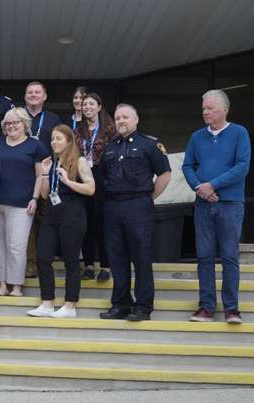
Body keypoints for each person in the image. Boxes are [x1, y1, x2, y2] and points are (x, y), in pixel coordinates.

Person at [183, 90, 251, 324]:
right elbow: (187, 166)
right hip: (203, 205)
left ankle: (232, 309)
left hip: (230, 204)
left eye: (210, 108)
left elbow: (242, 166)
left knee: (230, 256)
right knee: (204, 257)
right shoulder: (196, 137)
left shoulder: (239, 133)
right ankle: (206, 307)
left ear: (224, 109)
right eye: (203, 108)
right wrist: (199, 187)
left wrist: (212, 185)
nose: (205, 112)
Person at [99, 103, 171, 321]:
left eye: (126, 117)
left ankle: (142, 306)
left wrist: (148, 198)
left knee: (141, 257)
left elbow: (165, 174)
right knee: (117, 257)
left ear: (136, 119)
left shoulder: (150, 144)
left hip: (138, 205)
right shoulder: (110, 147)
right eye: (118, 117)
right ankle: (121, 304)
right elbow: (103, 177)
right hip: (113, 206)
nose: (121, 121)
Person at [27, 125, 95, 319]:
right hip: (51, 214)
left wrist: (68, 181)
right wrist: (46, 174)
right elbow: (44, 194)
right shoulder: (52, 161)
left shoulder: (79, 161)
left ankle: (69, 305)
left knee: (71, 260)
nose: (54, 142)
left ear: (69, 141)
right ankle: (47, 303)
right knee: (43, 257)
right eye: (52, 139)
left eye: (58, 139)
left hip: (72, 216)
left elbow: (91, 189)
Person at [0, 108, 48, 297]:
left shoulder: (35, 146)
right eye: (7, 123)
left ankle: (16, 286)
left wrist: (35, 198)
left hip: (23, 204)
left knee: (16, 246)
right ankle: (2, 284)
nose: (11, 126)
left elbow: (40, 175)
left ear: (25, 124)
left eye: (15, 122)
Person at [23, 81, 62, 278]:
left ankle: (44, 260)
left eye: (37, 92)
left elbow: (61, 145)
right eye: (30, 92)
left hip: (47, 175)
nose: (33, 95)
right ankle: (29, 263)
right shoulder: (17, 117)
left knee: (45, 219)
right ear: (25, 96)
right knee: (27, 220)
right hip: (23, 175)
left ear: (45, 96)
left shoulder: (53, 119)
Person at [75, 93, 116, 282]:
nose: (87, 107)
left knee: (103, 223)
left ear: (100, 107)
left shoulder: (109, 129)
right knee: (85, 224)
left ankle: (106, 266)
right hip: (83, 176)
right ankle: (89, 265)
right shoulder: (79, 130)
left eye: (92, 104)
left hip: (102, 176)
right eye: (84, 104)